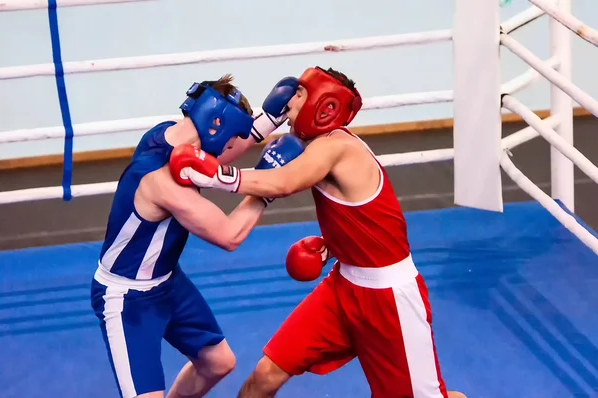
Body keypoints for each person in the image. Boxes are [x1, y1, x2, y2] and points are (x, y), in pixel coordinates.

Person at [169, 66, 467, 398]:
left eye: (299, 95)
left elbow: (283, 182)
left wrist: (213, 174)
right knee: (265, 376)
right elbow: (374, 218)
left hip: (389, 298)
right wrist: (335, 246)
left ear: (325, 105)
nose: (289, 103)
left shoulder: (336, 147)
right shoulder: (312, 145)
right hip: (342, 288)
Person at [90, 74, 304, 398]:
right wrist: (267, 186)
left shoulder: (167, 134)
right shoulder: (162, 183)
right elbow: (230, 236)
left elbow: (214, 160)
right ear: (216, 124)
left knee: (217, 362)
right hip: (127, 298)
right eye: (231, 136)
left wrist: (271, 119)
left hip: (167, 283)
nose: (233, 146)